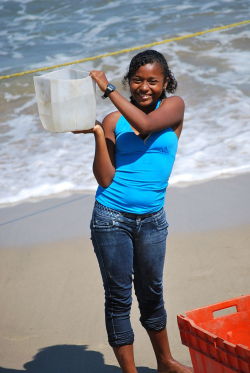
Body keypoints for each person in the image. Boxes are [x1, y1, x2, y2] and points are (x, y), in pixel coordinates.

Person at [74, 50, 192, 373]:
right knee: (119, 298)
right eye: (137, 80)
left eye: (152, 81)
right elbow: (104, 177)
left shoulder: (173, 107)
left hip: (153, 219)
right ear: (131, 81)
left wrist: (108, 88)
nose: (144, 87)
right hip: (111, 217)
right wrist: (100, 134)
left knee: (152, 292)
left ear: (165, 82)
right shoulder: (114, 120)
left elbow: (146, 123)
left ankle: (165, 362)